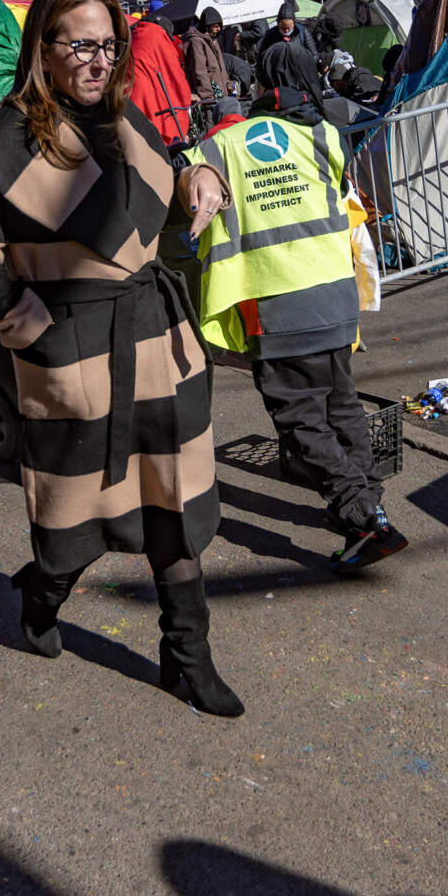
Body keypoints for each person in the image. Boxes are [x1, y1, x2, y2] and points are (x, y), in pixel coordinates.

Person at [0, 0, 243, 719]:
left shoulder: (122, 115)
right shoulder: (6, 138)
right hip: (73, 352)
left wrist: (202, 172)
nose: (99, 59)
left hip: (156, 339)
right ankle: (39, 602)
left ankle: (186, 655)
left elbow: (171, 173)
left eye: (109, 43)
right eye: (80, 43)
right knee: (74, 523)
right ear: (44, 49)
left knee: (171, 510)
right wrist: (35, 333)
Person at [182, 84, 406, 572]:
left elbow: (187, 178)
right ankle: (368, 504)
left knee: (300, 418)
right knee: (341, 405)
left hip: (277, 302)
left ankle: (365, 518)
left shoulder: (221, 148)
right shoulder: (320, 135)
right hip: (332, 293)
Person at [128, 12, 198, 147]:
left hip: (132, 97)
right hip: (151, 100)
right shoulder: (158, 36)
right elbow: (175, 76)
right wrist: (186, 98)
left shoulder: (136, 36)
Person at [184, 6, 229, 101]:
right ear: (207, 25)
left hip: (218, 90)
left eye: (220, 26)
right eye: (216, 26)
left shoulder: (212, 39)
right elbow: (199, 70)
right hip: (210, 93)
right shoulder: (196, 41)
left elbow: (221, 67)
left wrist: (227, 84)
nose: (219, 29)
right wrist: (207, 96)